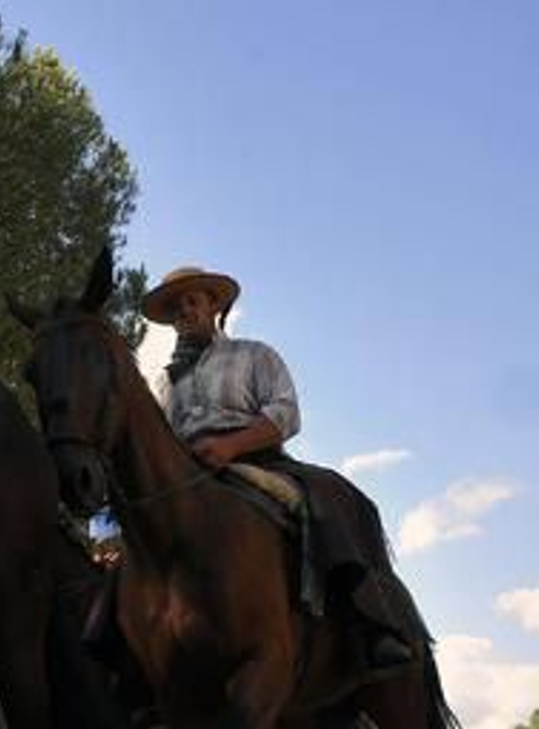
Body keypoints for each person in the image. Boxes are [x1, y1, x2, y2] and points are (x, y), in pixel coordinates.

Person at [142, 265, 418, 670]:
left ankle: (370, 626)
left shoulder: (254, 355)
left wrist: (231, 445)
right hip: (186, 476)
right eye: (175, 307)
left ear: (212, 305)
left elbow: (286, 413)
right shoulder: (164, 384)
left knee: (329, 497)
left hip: (256, 458)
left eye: (192, 300)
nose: (184, 310)